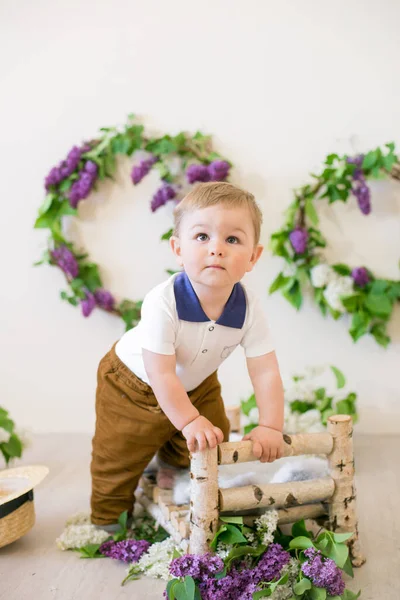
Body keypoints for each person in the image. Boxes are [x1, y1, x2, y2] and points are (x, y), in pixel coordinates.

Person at [90, 181, 285, 528]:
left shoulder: (249, 308)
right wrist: (188, 420)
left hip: (196, 382)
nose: (216, 250)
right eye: (202, 237)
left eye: (233, 239)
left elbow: (265, 371)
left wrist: (271, 425)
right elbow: (161, 373)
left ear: (253, 256)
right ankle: (108, 520)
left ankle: (176, 470)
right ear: (178, 249)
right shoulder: (163, 301)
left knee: (212, 433)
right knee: (118, 454)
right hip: (132, 385)